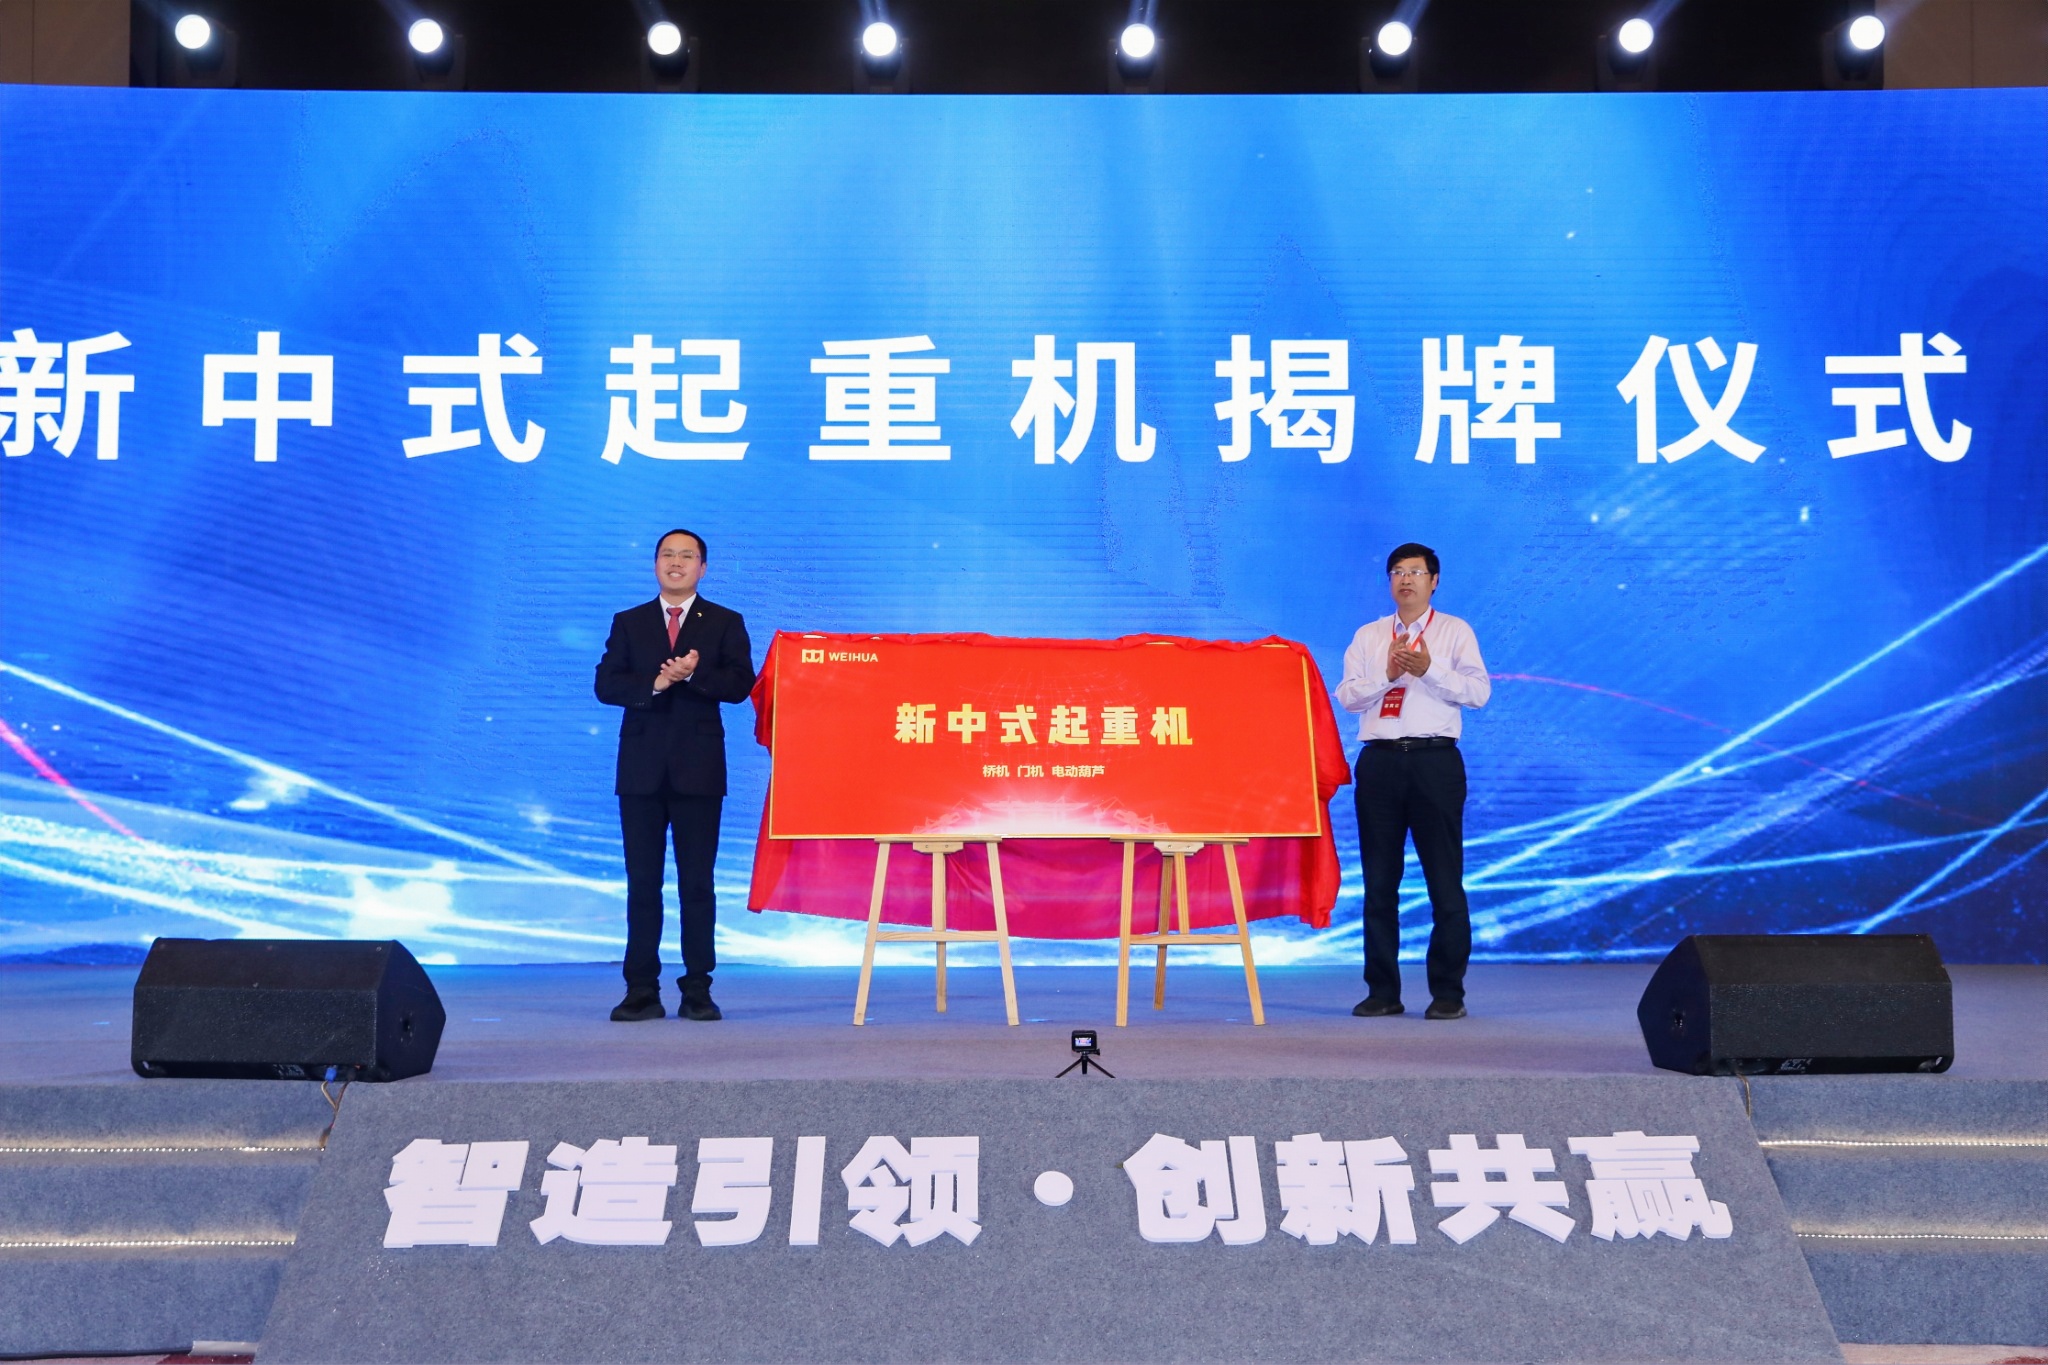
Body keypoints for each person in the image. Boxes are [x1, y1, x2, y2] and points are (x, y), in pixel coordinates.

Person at [594, 528, 755, 1022]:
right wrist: (659, 682)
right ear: (655, 564)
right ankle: (641, 990)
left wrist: (694, 674)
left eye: (687, 556)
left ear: (703, 568)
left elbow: (741, 684)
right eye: (668, 555)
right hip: (640, 772)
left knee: (697, 884)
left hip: (699, 771)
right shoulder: (630, 621)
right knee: (642, 883)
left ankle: (697, 989)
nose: (676, 563)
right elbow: (606, 684)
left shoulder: (724, 621)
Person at [1334, 542, 1491, 1020]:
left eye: (1416, 572)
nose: (1406, 580)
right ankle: (1383, 991)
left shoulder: (1454, 631)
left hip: (1434, 762)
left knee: (1445, 881)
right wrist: (1387, 674)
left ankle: (1448, 993)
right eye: (1398, 572)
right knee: (1380, 883)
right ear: (1389, 582)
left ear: (1434, 581)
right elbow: (1348, 697)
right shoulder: (1369, 635)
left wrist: (1430, 671)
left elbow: (1478, 693)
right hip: (1379, 764)